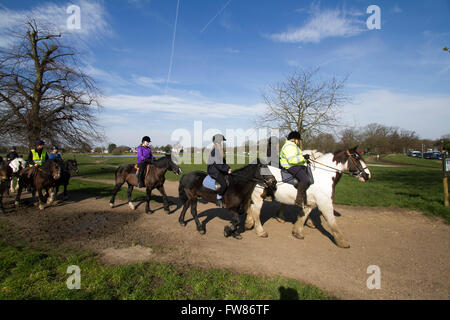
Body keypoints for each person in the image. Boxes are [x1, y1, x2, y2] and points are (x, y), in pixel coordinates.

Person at [279, 131, 311, 208]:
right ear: (293, 139)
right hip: (290, 166)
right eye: (298, 139)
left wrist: (305, 160)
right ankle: (299, 200)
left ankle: (305, 200)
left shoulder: (293, 146)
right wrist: (303, 157)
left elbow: (298, 158)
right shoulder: (289, 147)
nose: (299, 141)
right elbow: (292, 160)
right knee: (305, 179)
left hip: (295, 165)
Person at [207, 134, 232, 208]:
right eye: (222, 141)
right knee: (224, 184)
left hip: (219, 168)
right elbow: (218, 164)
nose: (223, 142)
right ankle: (218, 198)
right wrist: (226, 169)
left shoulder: (219, 150)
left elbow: (223, 162)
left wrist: (228, 168)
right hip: (214, 170)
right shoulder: (215, 151)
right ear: (218, 141)